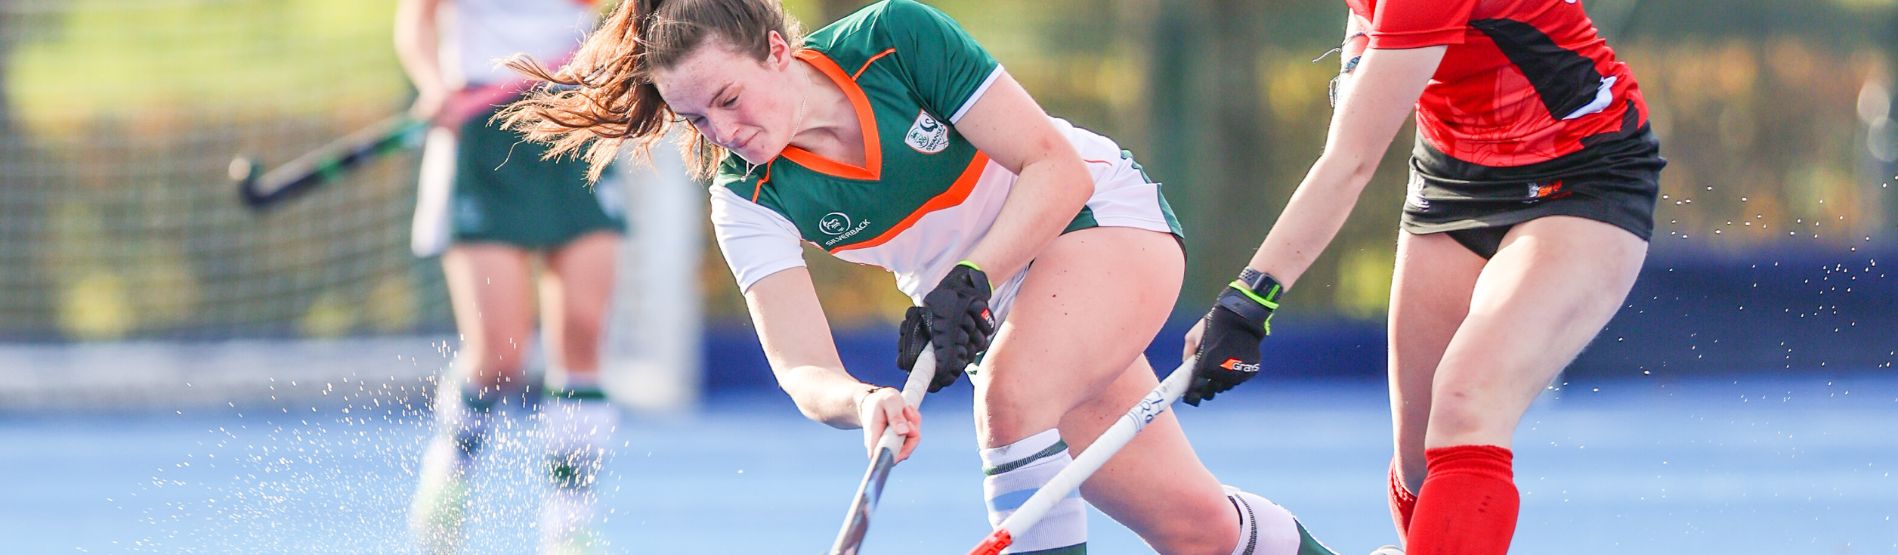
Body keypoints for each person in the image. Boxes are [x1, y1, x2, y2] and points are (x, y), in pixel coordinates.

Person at [502, 0, 1340, 553]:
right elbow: (801, 367)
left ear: (776, 50)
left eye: (729, 98)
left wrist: (970, 276)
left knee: (1007, 397)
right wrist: (863, 400)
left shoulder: (895, 41)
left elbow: (1055, 169)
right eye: (697, 120)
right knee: (1194, 528)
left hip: (1097, 222)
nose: (725, 131)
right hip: (1002, 303)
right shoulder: (747, 199)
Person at [1180, 1, 1664, 554]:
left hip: (1582, 177)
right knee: (1419, 467)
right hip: (1453, 177)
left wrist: (1250, 299)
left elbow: (1351, 162)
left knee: (1466, 401)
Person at [395, 0, 627, 553]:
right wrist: (434, 85)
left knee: (583, 330)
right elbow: (416, 21)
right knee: (500, 356)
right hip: (481, 126)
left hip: (574, 115)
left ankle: (570, 522)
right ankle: (450, 466)